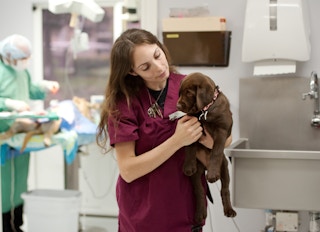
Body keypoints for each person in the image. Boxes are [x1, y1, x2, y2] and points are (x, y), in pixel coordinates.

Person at [96, 28, 232, 232]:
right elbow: (128, 170)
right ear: (133, 72)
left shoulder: (191, 85)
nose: (159, 67)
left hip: (187, 210)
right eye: (145, 67)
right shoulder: (124, 103)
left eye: (158, 55)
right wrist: (177, 141)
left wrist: (204, 139)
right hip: (143, 216)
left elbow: (226, 137)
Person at [0, 34, 59, 232]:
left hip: (22, 132)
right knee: (6, 183)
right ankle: (7, 226)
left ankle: (18, 224)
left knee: (21, 181)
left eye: (26, 58)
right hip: (5, 135)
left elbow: (30, 89)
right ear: (7, 56)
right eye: (20, 59)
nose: (23, 62)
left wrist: (44, 86)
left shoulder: (21, 72)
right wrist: (8, 103)